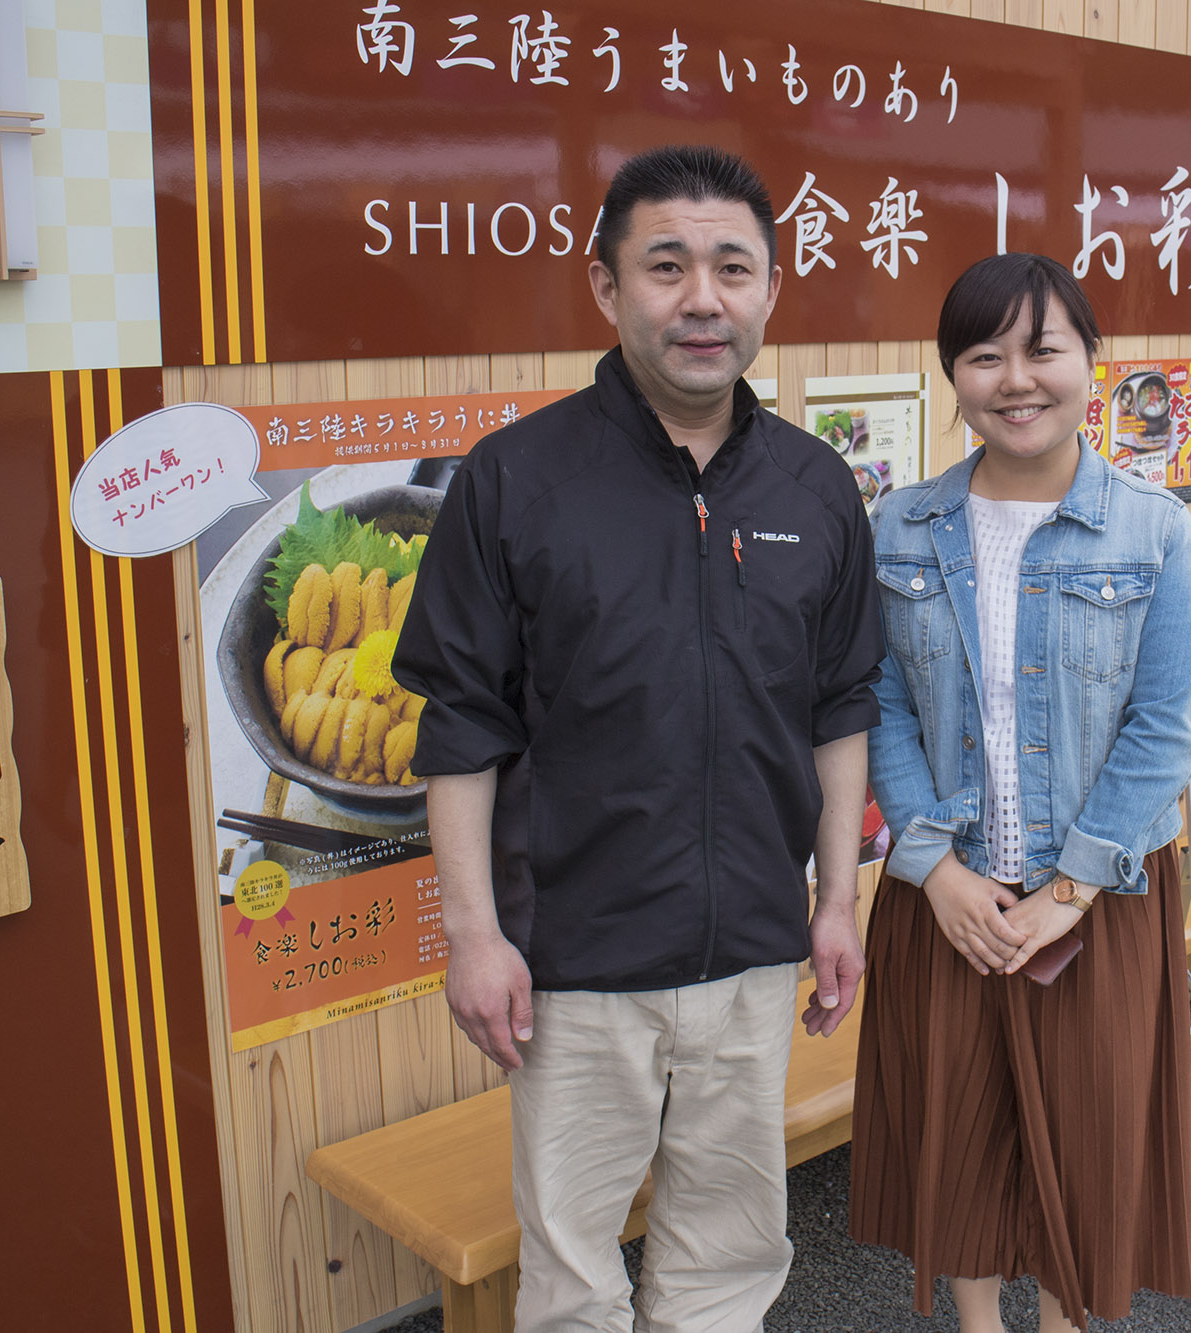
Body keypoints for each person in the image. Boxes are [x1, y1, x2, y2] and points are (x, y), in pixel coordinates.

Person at [392, 144, 883, 1333]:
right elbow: (460, 727)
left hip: (754, 957)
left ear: (770, 289)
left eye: (731, 267)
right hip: (573, 965)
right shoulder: (516, 480)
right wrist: (472, 937)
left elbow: (837, 711)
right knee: (569, 1275)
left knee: (727, 1252)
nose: (700, 298)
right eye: (665, 266)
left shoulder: (815, 490)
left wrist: (831, 905)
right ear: (607, 288)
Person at [844, 253, 1191, 1332]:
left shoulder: (1153, 529)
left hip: (1098, 895)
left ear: (1088, 362)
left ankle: (1058, 1323)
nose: (1016, 377)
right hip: (946, 889)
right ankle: (974, 1322)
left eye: (1043, 349)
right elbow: (878, 704)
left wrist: (1070, 888)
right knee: (954, 1123)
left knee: (1084, 1135)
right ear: (951, 375)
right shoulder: (899, 527)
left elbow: (1163, 729)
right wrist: (931, 868)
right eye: (983, 353)